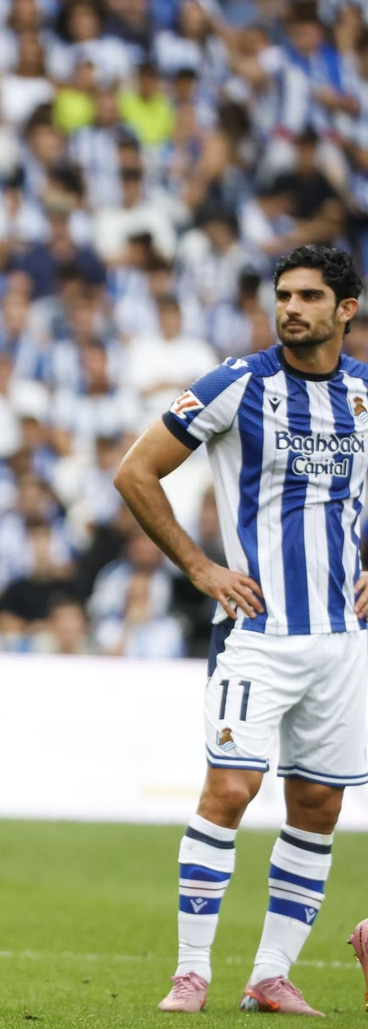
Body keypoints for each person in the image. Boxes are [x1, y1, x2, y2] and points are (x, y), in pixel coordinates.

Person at [113, 245, 368, 1016]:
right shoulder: (239, 383)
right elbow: (135, 470)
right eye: (284, 295)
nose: (291, 308)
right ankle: (192, 971)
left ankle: (270, 974)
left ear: (345, 310)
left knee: (318, 808)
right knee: (229, 790)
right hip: (258, 632)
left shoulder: (363, 397)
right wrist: (199, 568)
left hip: (342, 642)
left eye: (309, 297)